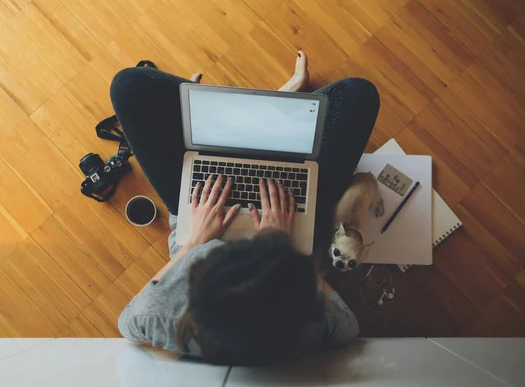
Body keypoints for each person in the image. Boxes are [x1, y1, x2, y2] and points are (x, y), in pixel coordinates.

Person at [112, 51, 380, 365]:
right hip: (288, 228)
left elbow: (127, 323)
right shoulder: (311, 328)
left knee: (127, 86)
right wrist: (281, 247)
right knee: (359, 94)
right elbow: (349, 327)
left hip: (200, 218)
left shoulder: (161, 319)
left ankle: (241, 117)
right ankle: (272, 113)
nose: (236, 246)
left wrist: (194, 243)